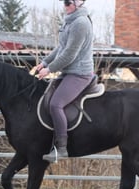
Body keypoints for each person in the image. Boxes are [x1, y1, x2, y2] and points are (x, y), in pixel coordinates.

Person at [36, 0, 94, 162]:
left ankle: (62, 148)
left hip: (79, 73)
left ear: (79, 4)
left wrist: (49, 69)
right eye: (64, 2)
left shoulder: (81, 23)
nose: (65, 6)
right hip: (68, 72)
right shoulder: (70, 21)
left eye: (68, 3)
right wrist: (44, 62)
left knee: (56, 104)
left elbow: (70, 54)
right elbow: (61, 47)